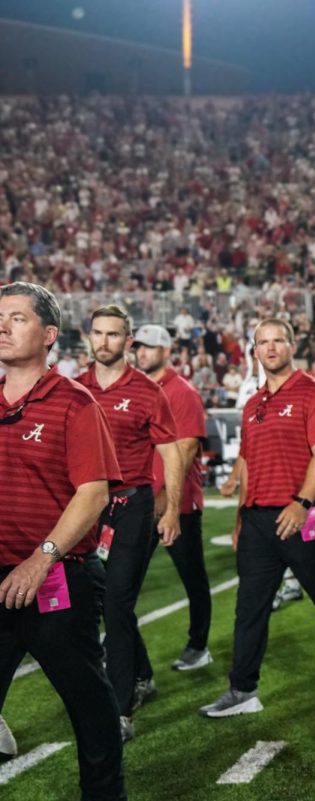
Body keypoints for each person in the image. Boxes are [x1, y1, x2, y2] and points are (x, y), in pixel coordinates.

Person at [199, 317, 315, 717]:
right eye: (263, 342)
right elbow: (249, 464)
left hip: (304, 514)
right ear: (255, 351)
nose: (271, 347)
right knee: (249, 606)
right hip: (258, 521)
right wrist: (240, 520)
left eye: (278, 340)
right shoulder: (251, 404)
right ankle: (243, 690)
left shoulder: (314, 393)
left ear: (292, 346)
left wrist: (302, 502)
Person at [0, 282, 126, 800]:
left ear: (49, 334)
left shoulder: (75, 402)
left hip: (55, 579)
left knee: (90, 710)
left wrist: (40, 558)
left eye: (17, 318)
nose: (2, 326)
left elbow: (93, 493)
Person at [78, 305, 184, 742]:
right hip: (86, 510)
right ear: (89, 337)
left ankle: (120, 711)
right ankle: (140, 673)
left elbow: (171, 452)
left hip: (132, 507)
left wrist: (172, 508)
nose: (104, 342)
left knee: (118, 604)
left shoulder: (145, 391)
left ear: (128, 339)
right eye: (98, 334)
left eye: (114, 334)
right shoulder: (72, 388)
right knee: (100, 604)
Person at [131, 324, 214, 672]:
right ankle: (125, 648)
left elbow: (187, 446)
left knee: (192, 575)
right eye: (138, 347)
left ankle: (198, 644)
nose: (142, 353)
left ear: (166, 351)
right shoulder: (136, 388)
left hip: (176, 503)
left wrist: (165, 500)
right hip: (140, 501)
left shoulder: (182, 391)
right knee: (123, 584)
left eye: (149, 347)